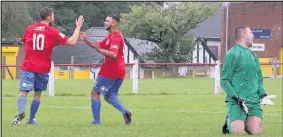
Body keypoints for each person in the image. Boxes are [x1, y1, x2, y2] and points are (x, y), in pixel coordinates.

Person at [11, 7, 84, 125]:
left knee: (23, 92)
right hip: (43, 68)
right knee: (37, 94)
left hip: (28, 66)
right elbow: (72, 41)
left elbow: (24, 41)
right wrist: (78, 27)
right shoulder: (52, 31)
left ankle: (21, 112)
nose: (54, 18)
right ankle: (31, 119)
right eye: (53, 16)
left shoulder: (30, 28)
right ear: (49, 17)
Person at [220, 25, 276, 135]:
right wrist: (237, 99)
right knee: (237, 133)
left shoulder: (254, 56)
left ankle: (244, 121)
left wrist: (263, 95)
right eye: (251, 33)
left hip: (254, 101)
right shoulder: (232, 54)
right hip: (237, 102)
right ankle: (229, 122)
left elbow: (259, 80)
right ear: (244, 36)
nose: (253, 35)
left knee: (256, 132)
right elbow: (224, 81)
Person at [80, 14, 132, 125]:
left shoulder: (116, 37)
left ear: (114, 23)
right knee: (110, 96)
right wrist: (85, 40)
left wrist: (99, 50)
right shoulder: (110, 36)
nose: (104, 22)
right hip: (119, 69)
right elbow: (97, 46)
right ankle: (125, 112)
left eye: (107, 21)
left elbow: (113, 55)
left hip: (111, 70)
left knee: (95, 92)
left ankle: (96, 122)